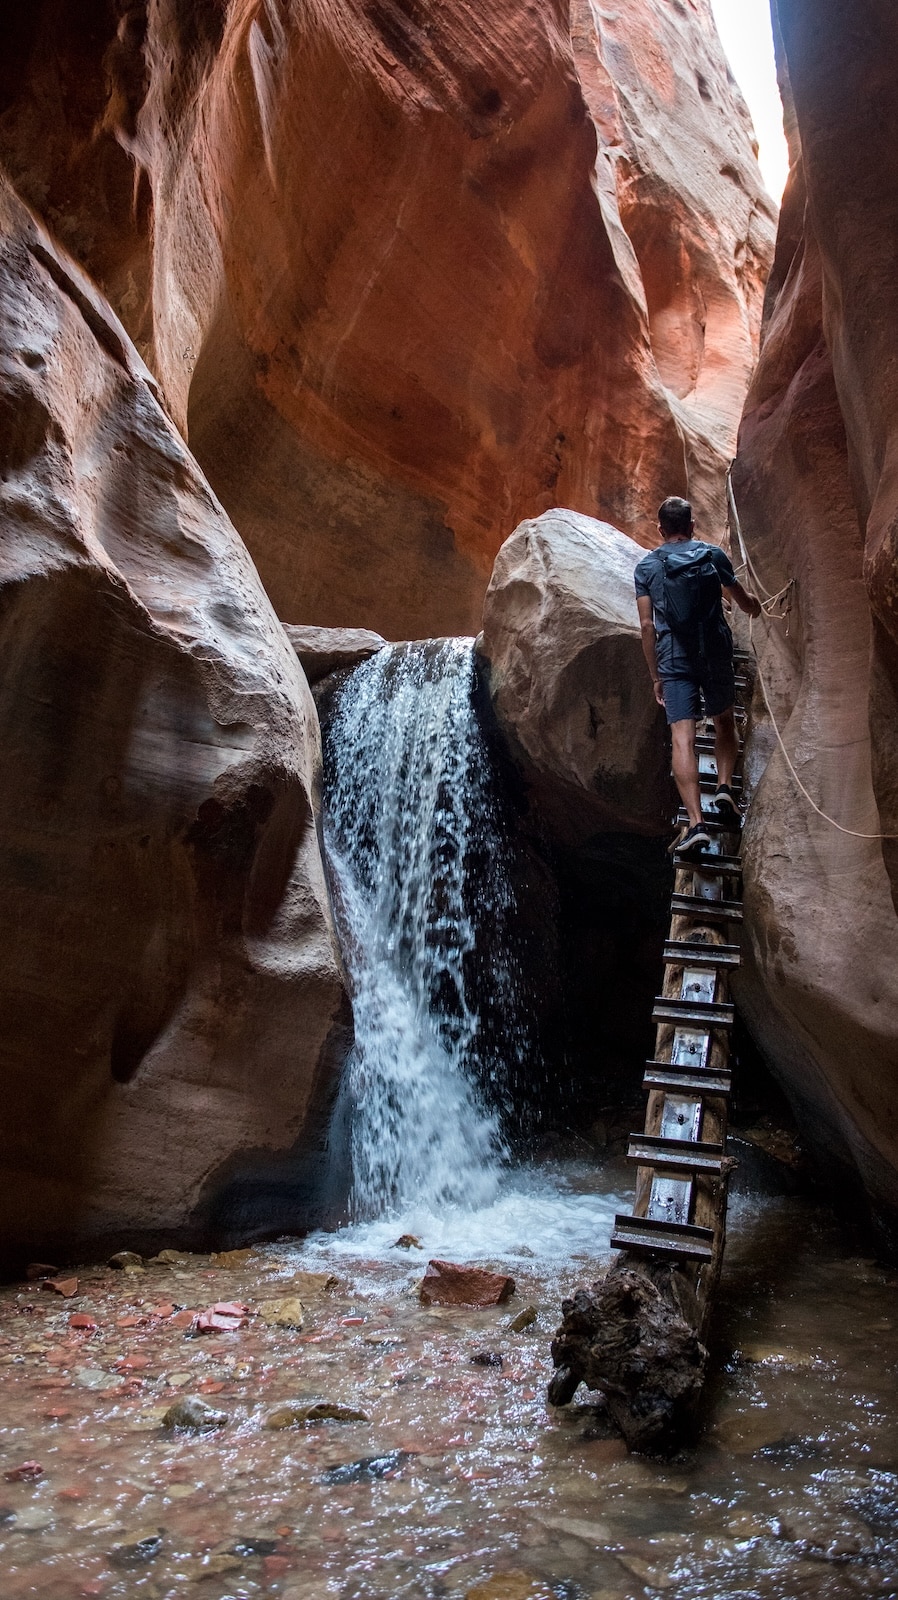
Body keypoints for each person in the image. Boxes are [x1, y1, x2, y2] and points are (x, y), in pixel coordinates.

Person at [634, 496, 761, 856]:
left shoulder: (646, 568)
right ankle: (723, 787)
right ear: (692, 526)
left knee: (682, 739)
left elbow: (647, 625)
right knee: (724, 720)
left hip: (674, 658)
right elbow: (741, 600)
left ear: (660, 530)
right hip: (715, 651)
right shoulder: (712, 555)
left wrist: (654, 673)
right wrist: (757, 607)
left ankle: (696, 823)